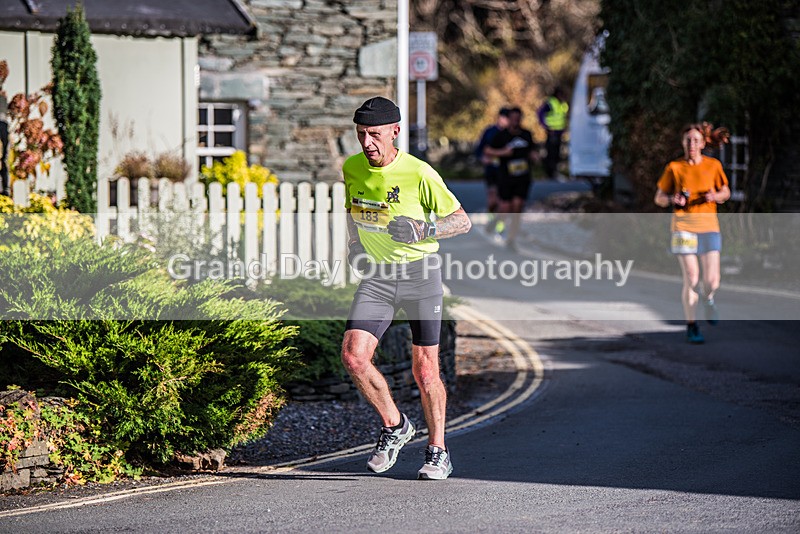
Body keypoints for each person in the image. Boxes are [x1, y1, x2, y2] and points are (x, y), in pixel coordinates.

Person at [342, 96, 472, 480]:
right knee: (353, 356)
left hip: (420, 276)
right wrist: (353, 245)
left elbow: (462, 221)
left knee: (425, 369)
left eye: (375, 135)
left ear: (395, 132)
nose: (368, 143)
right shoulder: (352, 167)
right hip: (378, 277)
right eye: (362, 134)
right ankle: (395, 425)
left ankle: (438, 451)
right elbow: (353, 208)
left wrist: (424, 229)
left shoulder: (419, 173)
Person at [654, 122, 731, 344]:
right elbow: (658, 198)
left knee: (712, 281)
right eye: (688, 140)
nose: (692, 144)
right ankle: (691, 326)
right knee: (692, 278)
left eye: (696, 140)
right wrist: (671, 199)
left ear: (704, 142)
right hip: (683, 228)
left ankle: (708, 299)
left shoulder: (713, 166)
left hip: (709, 227)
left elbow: (726, 191)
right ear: (682, 143)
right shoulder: (674, 168)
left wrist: (714, 197)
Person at [484, 106, 538, 251]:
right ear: (509, 120)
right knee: (506, 208)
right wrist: (503, 152)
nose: (515, 121)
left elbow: (532, 150)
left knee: (517, 207)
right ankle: (496, 220)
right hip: (506, 177)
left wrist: (534, 156)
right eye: (513, 119)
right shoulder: (501, 136)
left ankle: (511, 239)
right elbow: (487, 150)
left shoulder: (527, 134)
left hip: (523, 177)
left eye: (518, 119)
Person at [474, 107, 509, 232]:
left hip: (505, 171)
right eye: (504, 118)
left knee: (503, 200)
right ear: (499, 118)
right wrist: (483, 158)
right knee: (492, 199)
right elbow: (479, 149)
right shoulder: (489, 132)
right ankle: (491, 217)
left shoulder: (509, 133)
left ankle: (500, 225)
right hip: (491, 170)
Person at [537, 86, 569, 180]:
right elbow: (540, 113)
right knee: (552, 153)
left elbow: (563, 116)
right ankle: (550, 173)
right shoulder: (551, 103)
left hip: (559, 132)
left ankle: (554, 171)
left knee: (557, 153)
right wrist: (546, 127)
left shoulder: (562, 104)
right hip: (553, 132)